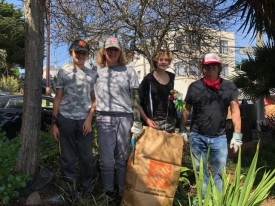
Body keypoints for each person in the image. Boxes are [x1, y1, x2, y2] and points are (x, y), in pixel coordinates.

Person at [181, 53, 242, 196]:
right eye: (207, 66)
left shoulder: (229, 87)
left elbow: (235, 111)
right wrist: (182, 129)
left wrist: (237, 135)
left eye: (213, 65)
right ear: (203, 68)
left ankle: (218, 200)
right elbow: (186, 109)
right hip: (197, 136)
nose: (210, 68)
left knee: (219, 172)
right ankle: (204, 200)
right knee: (200, 171)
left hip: (219, 137)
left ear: (219, 67)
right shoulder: (194, 87)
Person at [95, 37, 142, 203]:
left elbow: (135, 98)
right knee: (107, 159)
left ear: (120, 52)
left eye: (115, 49)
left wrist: (137, 120)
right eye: (109, 49)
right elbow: (88, 95)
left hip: (125, 117)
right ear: (104, 52)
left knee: (122, 158)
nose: (112, 52)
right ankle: (108, 192)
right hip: (104, 117)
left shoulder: (129, 71)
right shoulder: (97, 72)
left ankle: (122, 192)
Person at [51, 39, 98, 198]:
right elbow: (58, 97)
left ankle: (86, 192)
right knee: (68, 158)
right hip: (66, 119)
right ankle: (68, 191)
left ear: (87, 55)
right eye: (77, 52)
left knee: (86, 157)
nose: (80, 55)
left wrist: (89, 119)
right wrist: (54, 123)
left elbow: (94, 100)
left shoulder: (92, 74)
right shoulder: (63, 71)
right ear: (72, 53)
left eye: (84, 53)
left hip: (84, 121)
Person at [139, 49, 177, 133]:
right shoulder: (148, 79)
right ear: (156, 61)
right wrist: (147, 120)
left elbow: (172, 97)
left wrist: (175, 97)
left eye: (166, 60)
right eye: (161, 59)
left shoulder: (172, 76)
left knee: (170, 146)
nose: (164, 62)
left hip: (170, 121)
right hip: (154, 123)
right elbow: (138, 103)